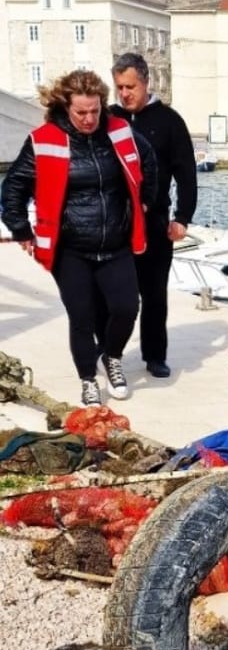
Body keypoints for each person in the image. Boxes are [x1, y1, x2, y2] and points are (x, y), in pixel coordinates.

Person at [0, 69, 157, 406]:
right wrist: (21, 230)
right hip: (70, 249)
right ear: (66, 107)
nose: (89, 119)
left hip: (116, 243)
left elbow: (149, 163)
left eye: (95, 111)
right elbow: (12, 188)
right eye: (81, 112)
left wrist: (145, 200)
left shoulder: (120, 131)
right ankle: (88, 378)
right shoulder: (44, 140)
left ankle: (111, 357)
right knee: (82, 317)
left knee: (127, 307)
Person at [109, 52, 198, 379]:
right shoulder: (108, 120)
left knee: (154, 295)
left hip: (156, 224)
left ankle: (155, 355)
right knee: (115, 294)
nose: (125, 94)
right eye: (119, 87)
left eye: (130, 86)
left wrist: (183, 218)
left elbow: (187, 174)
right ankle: (110, 353)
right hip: (115, 225)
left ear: (146, 82)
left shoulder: (170, 121)